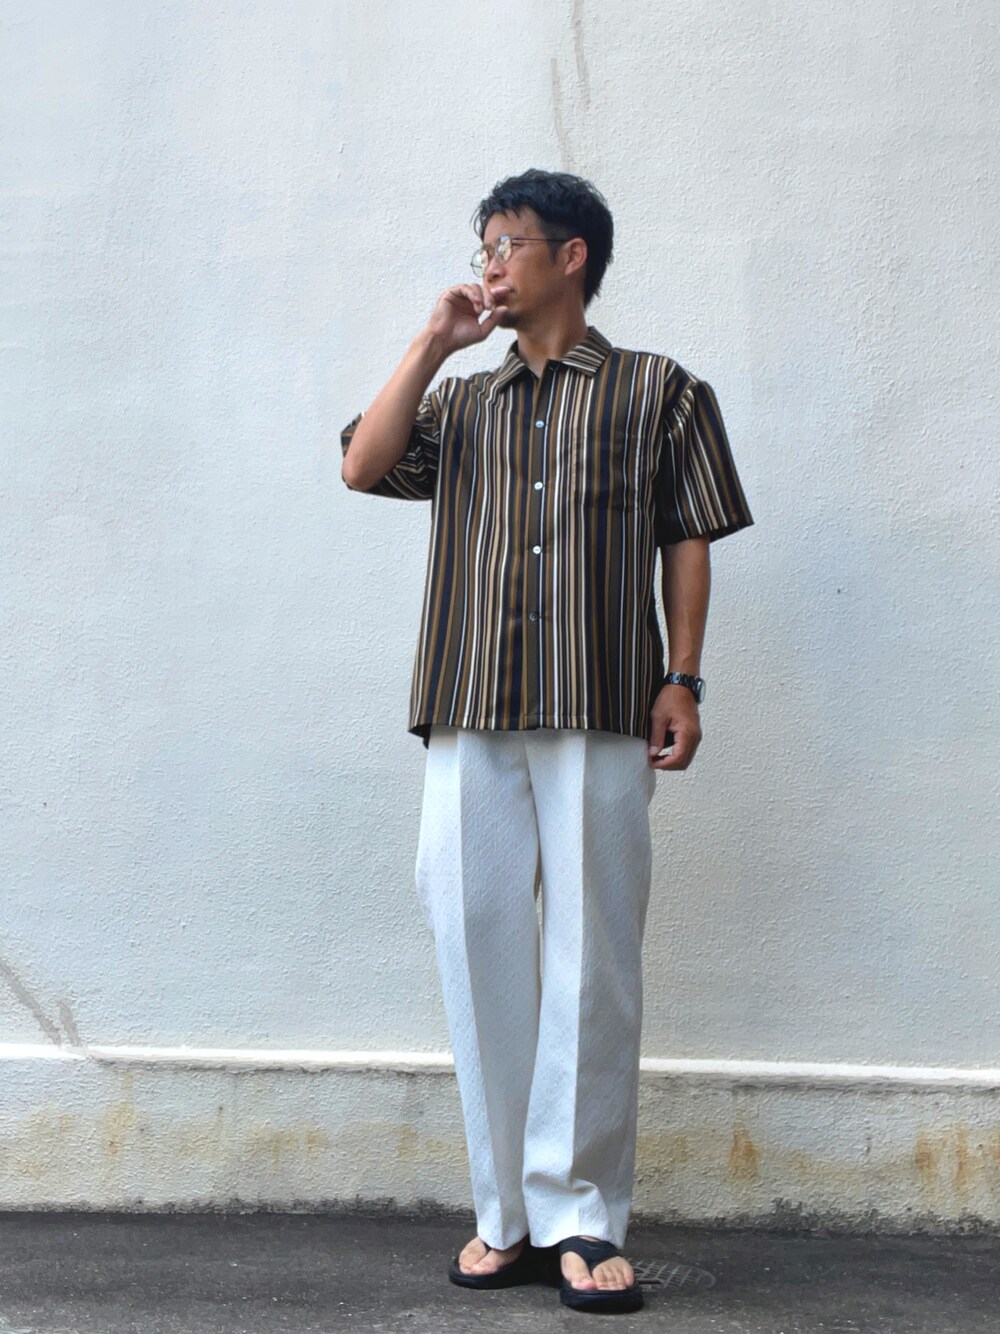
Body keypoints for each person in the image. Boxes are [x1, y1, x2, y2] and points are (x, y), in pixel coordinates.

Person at [341, 168, 754, 1315]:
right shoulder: (460, 401)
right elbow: (362, 465)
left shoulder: (659, 390)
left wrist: (682, 678)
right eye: (481, 244)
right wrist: (432, 342)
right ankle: (506, 1211)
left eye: (506, 243)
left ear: (570, 255)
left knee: (591, 957)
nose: (488, 262)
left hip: (600, 700)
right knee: (473, 939)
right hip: (468, 700)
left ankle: (580, 1212)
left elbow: (687, 534)